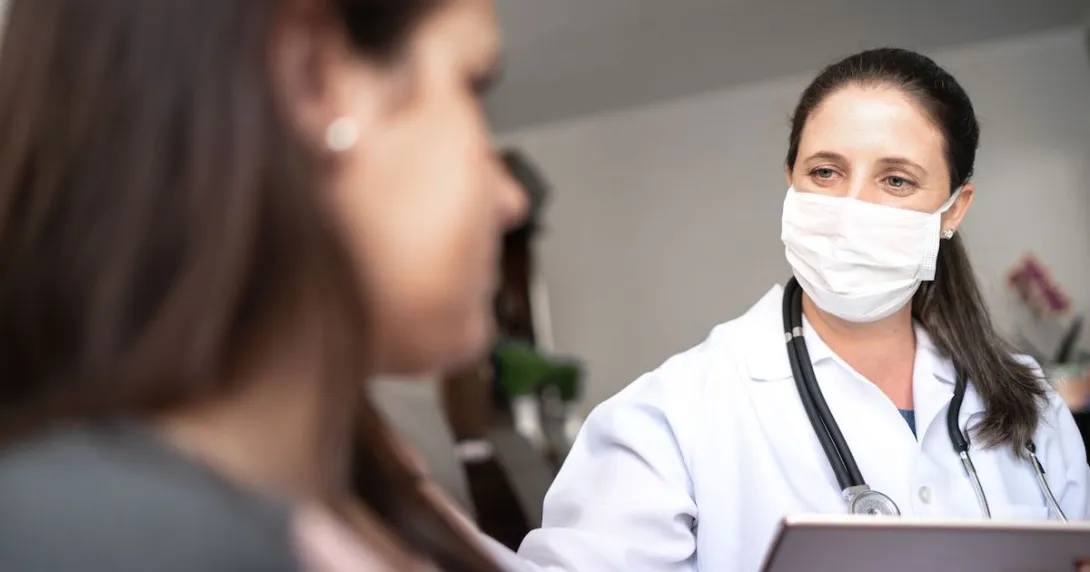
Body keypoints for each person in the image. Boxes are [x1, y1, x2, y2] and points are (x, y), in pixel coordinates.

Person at [0, 0, 528, 570]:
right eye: (472, 85)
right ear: (311, 78)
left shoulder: (357, 505)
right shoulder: (100, 541)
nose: (511, 198)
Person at [515, 48, 1090, 572]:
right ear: (790, 181)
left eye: (896, 180)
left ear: (952, 209)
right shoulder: (671, 415)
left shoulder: (1033, 406)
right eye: (825, 172)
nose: (852, 207)